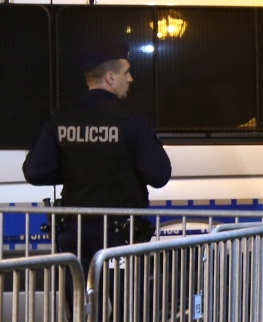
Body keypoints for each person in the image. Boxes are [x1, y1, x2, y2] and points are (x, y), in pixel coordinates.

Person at [22, 45, 171, 261]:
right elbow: (159, 175)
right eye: (126, 72)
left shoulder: (61, 117)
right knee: (122, 286)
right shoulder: (131, 119)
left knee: (79, 284)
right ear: (110, 77)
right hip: (119, 236)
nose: (130, 79)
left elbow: (35, 172)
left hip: (74, 233)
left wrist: (75, 170)